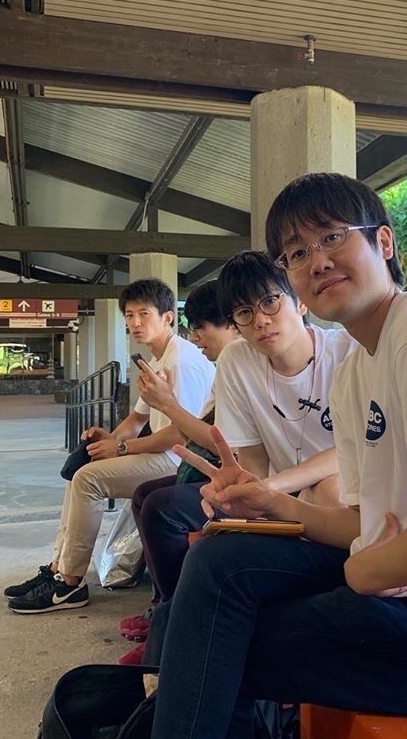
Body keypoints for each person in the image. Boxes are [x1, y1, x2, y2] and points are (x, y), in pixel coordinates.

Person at [144, 173, 407, 739]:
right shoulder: (356, 369)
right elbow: (363, 523)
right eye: (296, 252)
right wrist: (273, 503)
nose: (317, 261)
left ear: (383, 242)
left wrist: (360, 572)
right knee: (218, 565)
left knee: (215, 640)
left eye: (333, 237)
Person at [121, 254, 358, 667]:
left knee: (328, 490)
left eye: (271, 302)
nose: (261, 320)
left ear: (300, 301)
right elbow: (251, 461)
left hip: (344, 502)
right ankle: (167, 640)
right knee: (206, 553)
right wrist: (250, 499)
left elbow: (349, 450)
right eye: (245, 313)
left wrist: (270, 490)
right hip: (280, 499)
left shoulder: (348, 353)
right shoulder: (237, 361)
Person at [3, 278, 215, 614]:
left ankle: (70, 583)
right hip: (160, 454)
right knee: (81, 472)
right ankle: (58, 569)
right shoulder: (155, 361)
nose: (135, 323)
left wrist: (122, 450)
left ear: (167, 317)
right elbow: (136, 419)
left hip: (178, 461)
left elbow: (180, 436)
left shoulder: (182, 362)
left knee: (88, 480)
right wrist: (111, 439)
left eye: (144, 314)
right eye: (129, 315)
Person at [117, 281, 240, 660]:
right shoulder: (227, 365)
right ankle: (165, 607)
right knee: (146, 496)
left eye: (201, 327)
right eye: (129, 316)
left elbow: (211, 439)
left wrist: (167, 407)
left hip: (239, 478)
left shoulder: (192, 361)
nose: (195, 337)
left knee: (162, 506)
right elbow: (202, 431)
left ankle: (175, 621)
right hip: (210, 469)